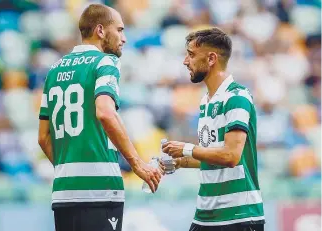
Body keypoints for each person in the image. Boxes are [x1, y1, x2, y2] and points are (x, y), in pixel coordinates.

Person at [37, 4, 162, 231]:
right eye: (120, 30)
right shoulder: (105, 62)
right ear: (101, 31)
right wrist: (137, 163)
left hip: (64, 193)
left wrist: (70, 172)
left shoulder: (54, 70)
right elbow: (105, 112)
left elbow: (43, 137)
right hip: (100, 191)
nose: (124, 38)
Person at [160, 28, 265, 231]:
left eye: (191, 55)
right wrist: (179, 162)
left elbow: (231, 156)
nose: (185, 61)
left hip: (238, 216)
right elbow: (212, 158)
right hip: (206, 216)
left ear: (211, 59)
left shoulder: (237, 97)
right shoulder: (206, 101)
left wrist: (186, 148)